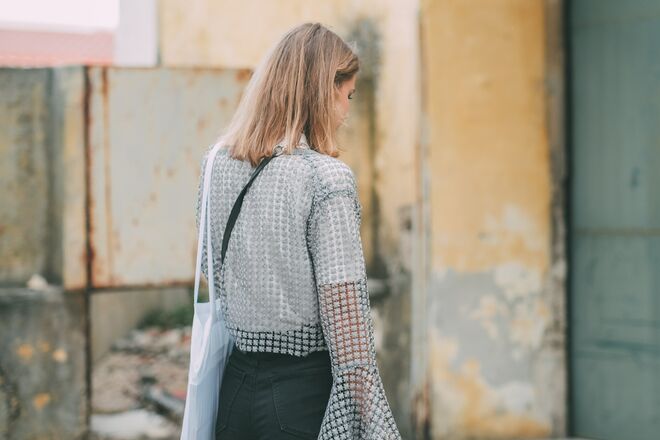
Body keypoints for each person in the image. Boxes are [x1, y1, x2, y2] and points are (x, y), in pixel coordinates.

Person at [195, 22, 402, 440]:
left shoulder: (216, 165)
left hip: (233, 394)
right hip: (302, 398)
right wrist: (372, 422)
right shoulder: (326, 179)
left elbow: (209, 265)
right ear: (323, 92)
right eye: (348, 96)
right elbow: (346, 317)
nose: (346, 111)